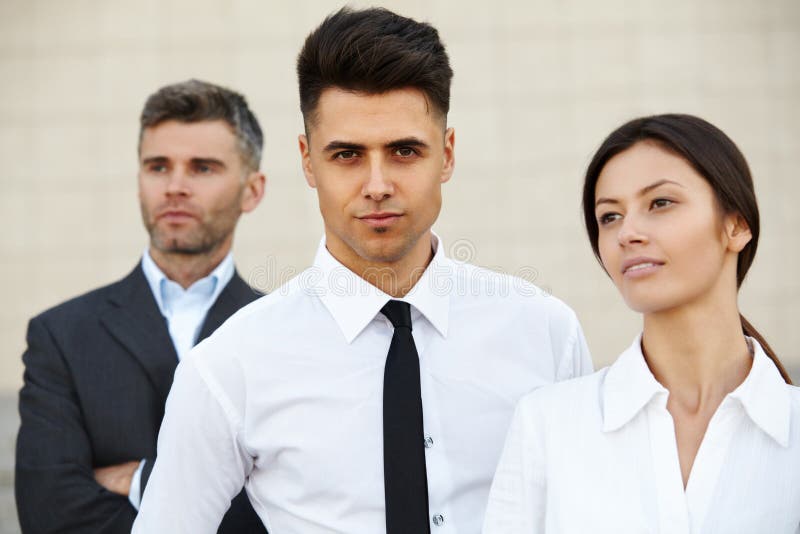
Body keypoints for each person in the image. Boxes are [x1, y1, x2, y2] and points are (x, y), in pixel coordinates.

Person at [133, 7, 592, 534]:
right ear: (308, 161)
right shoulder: (229, 365)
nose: (377, 184)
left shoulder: (546, 333)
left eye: (403, 150)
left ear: (446, 154)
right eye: (347, 154)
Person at [483, 114, 800, 533]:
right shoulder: (547, 424)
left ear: (736, 225)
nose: (627, 232)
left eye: (660, 203)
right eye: (609, 216)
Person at [15, 79, 268, 533]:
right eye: (157, 166)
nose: (174, 186)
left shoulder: (283, 333)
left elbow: (303, 511)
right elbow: (48, 513)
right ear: (139, 182)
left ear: (253, 190)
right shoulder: (62, 337)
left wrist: (139, 479)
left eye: (202, 168)